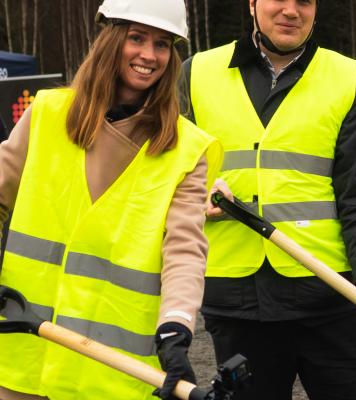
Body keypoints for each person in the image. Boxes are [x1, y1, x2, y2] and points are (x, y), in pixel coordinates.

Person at [0, 0, 221, 399]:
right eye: (136, 38)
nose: (149, 55)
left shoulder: (187, 147)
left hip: (109, 374)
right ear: (110, 38)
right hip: (25, 352)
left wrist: (177, 324)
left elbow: (185, 249)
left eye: (162, 44)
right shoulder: (48, 114)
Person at [178, 0, 356, 398]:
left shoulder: (349, 79)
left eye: (304, 1)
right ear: (252, 4)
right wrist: (195, 196)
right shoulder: (196, 74)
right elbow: (161, 174)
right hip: (238, 302)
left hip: (330, 296)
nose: (291, 11)